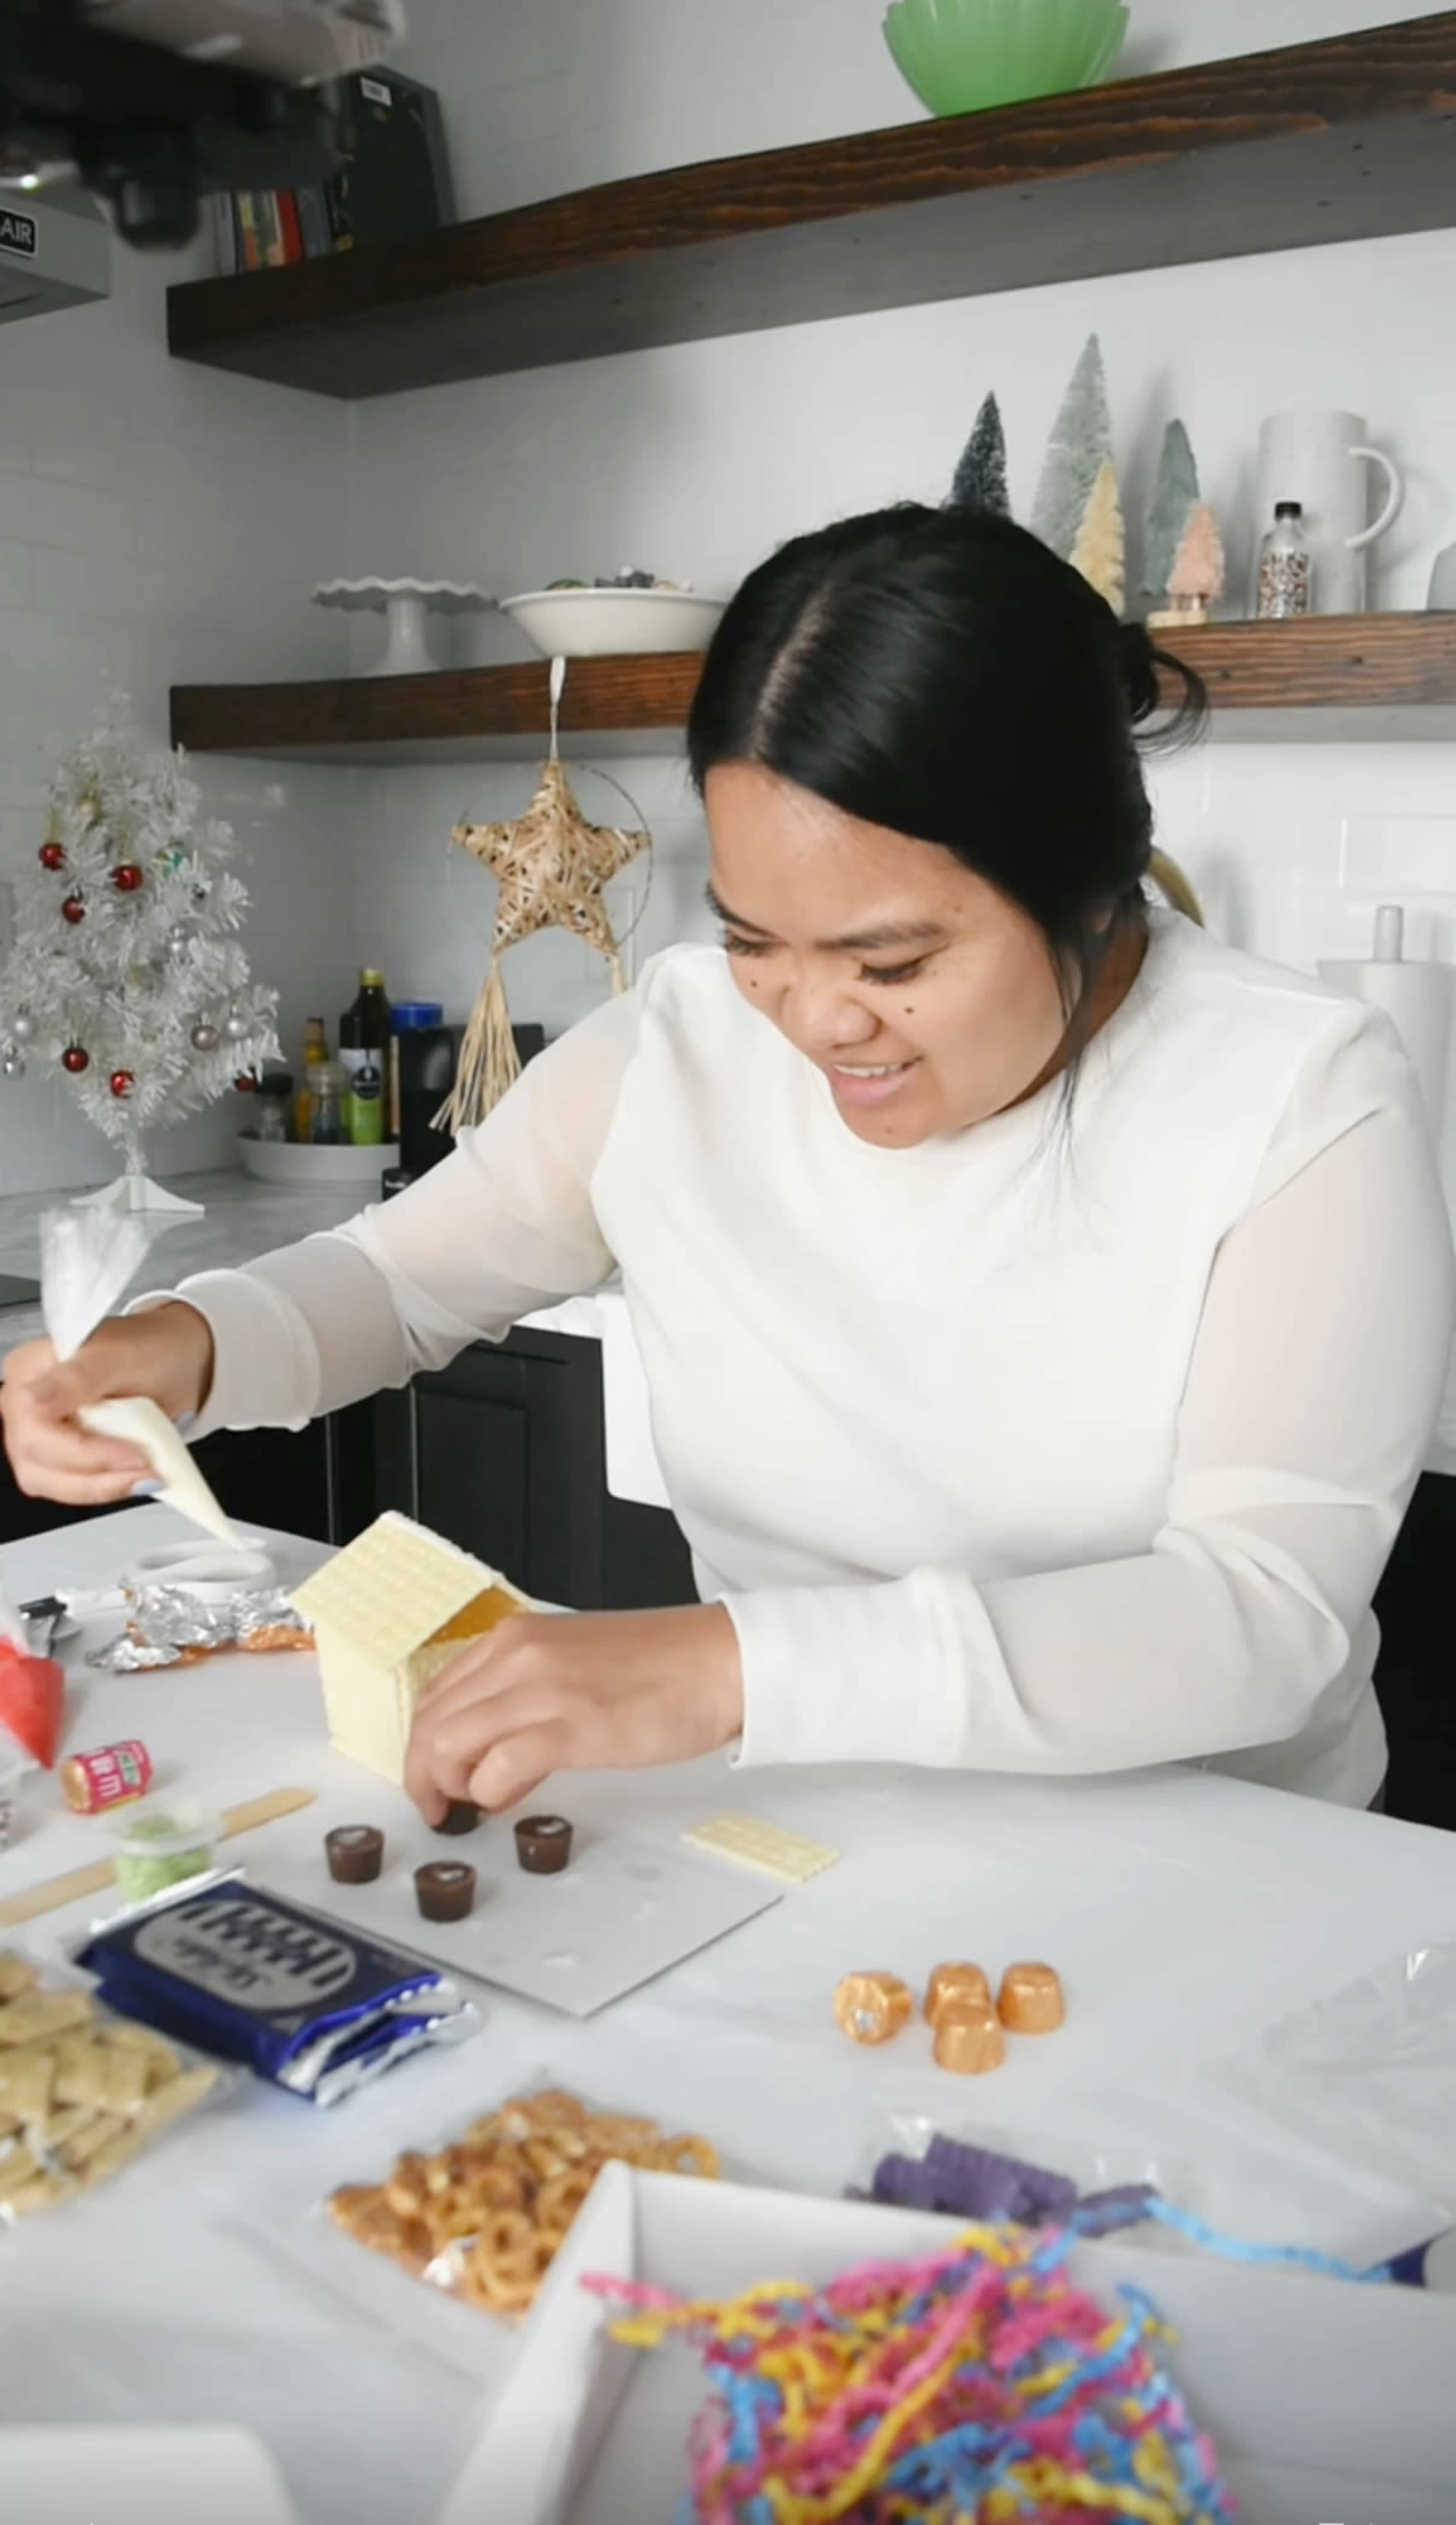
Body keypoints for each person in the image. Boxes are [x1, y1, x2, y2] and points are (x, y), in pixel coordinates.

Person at [4, 509, 1452, 1821]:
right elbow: (395, 1280)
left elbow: (1259, 1620)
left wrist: (723, 1665)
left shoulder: (1297, 1095)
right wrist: (187, 1350)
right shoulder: (682, 1047)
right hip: (793, 1830)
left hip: (1227, 1880)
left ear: (1081, 882)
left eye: (893, 960)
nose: (818, 1021)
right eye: (758, 940)